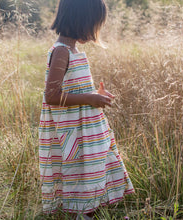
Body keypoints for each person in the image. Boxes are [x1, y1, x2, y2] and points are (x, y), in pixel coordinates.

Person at [39, 0, 134, 219]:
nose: (94, 33)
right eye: (94, 25)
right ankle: (84, 214)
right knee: (81, 172)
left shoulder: (73, 50)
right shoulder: (62, 52)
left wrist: (95, 95)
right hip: (73, 132)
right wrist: (89, 98)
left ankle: (94, 211)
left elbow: (74, 89)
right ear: (80, 21)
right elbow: (51, 96)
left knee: (93, 168)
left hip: (86, 129)